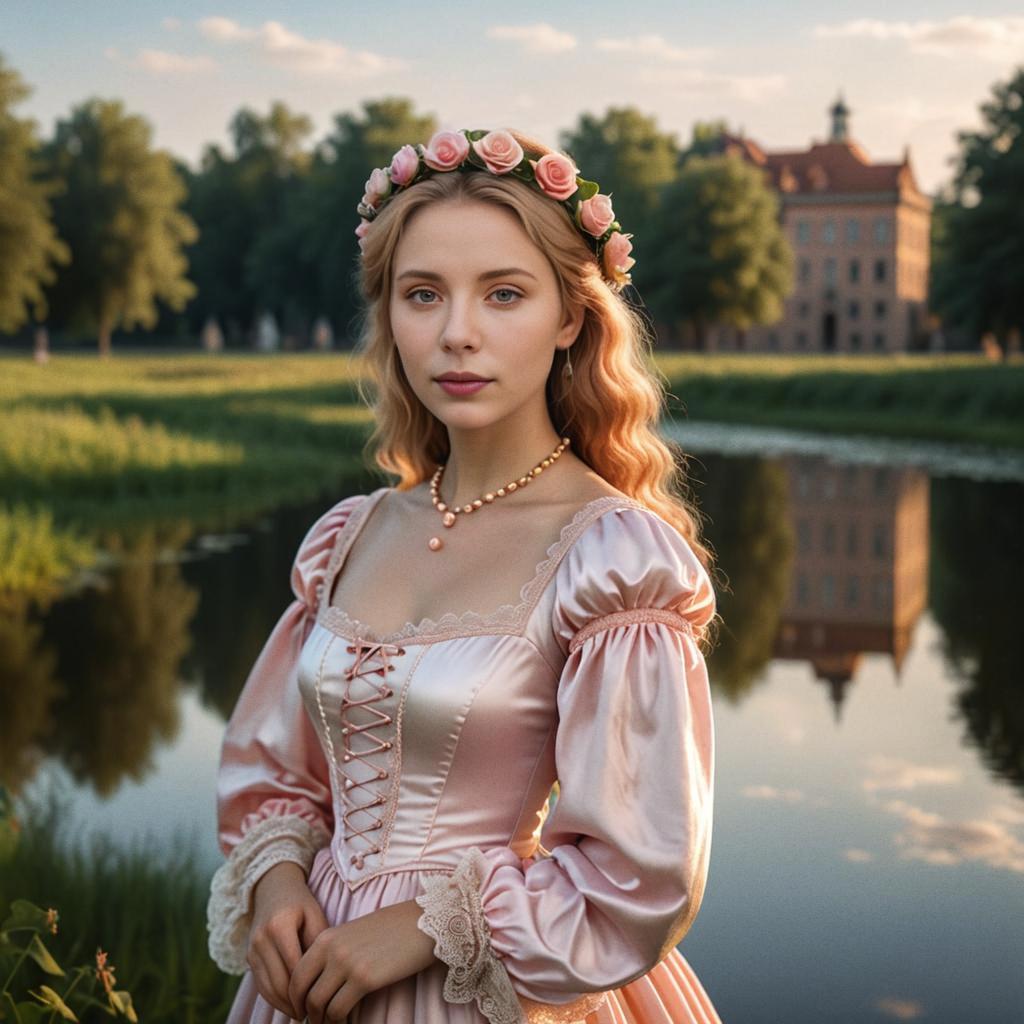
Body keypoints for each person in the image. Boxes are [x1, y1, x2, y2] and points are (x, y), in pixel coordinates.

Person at [207, 127, 723, 1024]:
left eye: (504, 294)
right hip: (308, 977)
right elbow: (277, 773)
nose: (456, 333)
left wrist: (422, 927)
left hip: (494, 985)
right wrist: (278, 883)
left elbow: (641, 869)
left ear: (570, 318)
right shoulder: (348, 536)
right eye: (422, 294)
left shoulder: (614, 562)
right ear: (390, 315)